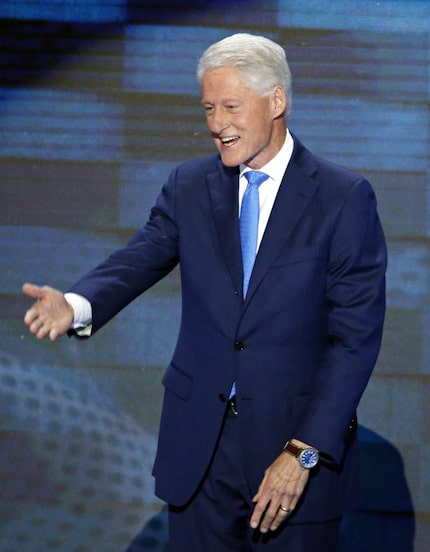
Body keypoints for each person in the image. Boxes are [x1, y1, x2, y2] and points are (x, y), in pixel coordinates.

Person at [23, 33, 387, 551]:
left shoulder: (342, 197)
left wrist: (302, 453)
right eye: (209, 107)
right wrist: (78, 303)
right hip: (199, 451)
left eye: (232, 106)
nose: (217, 124)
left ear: (277, 100)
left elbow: (354, 341)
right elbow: (138, 259)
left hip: (290, 457)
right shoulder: (190, 186)